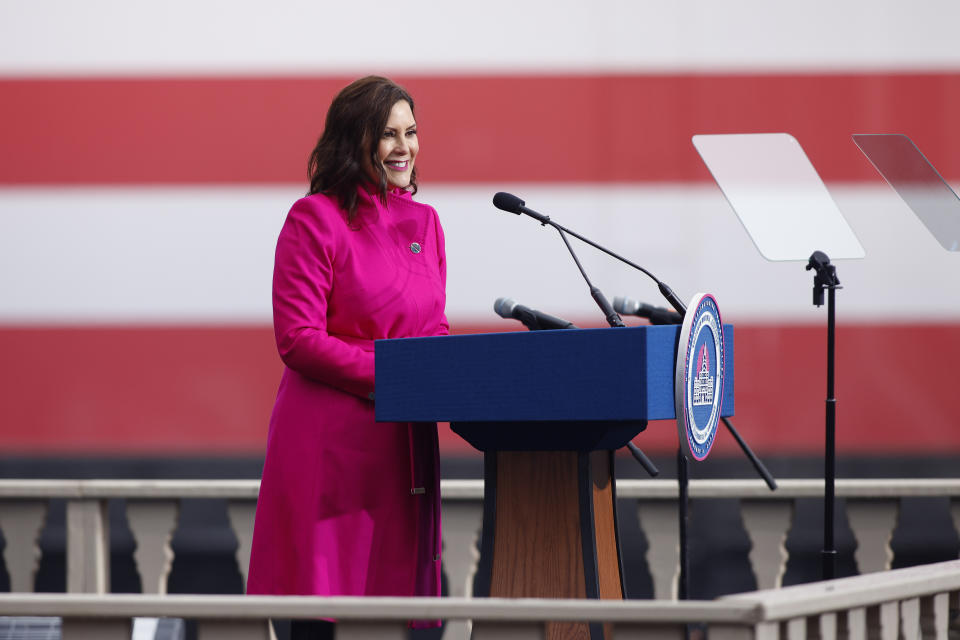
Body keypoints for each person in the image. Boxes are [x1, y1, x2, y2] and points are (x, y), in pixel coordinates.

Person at [247, 76, 448, 639]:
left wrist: (447, 375)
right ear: (353, 140)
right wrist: (397, 378)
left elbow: (434, 326)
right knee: (325, 614)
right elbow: (298, 338)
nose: (403, 147)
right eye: (387, 134)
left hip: (402, 446)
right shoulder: (314, 218)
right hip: (331, 449)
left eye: (411, 132)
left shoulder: (426, 223)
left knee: (398, 616)